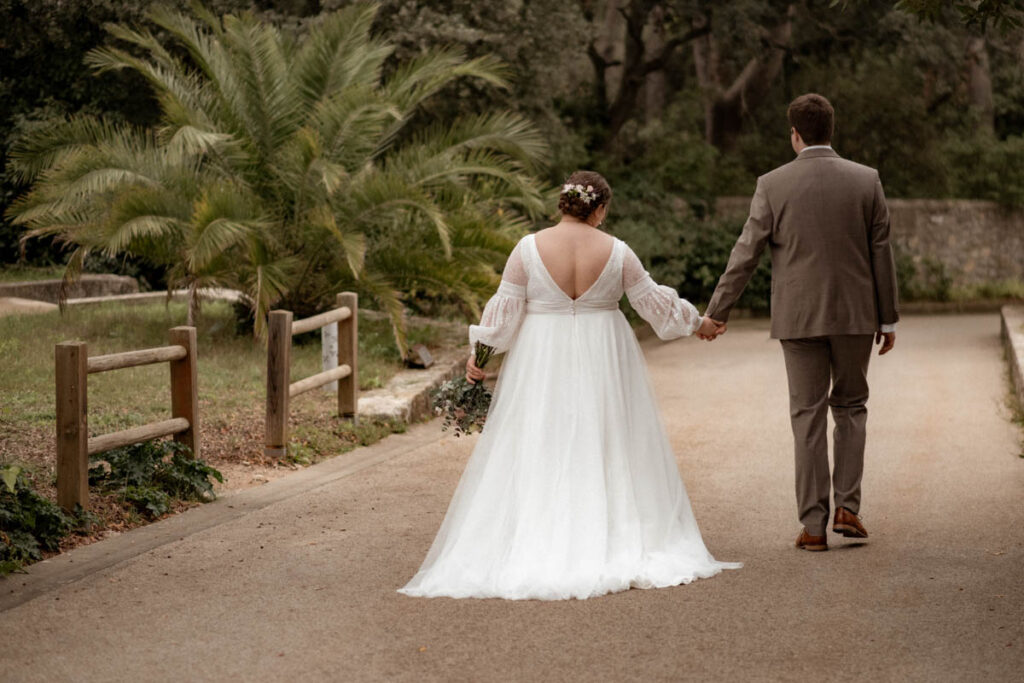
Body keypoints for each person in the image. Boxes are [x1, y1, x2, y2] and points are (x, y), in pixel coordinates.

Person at [398, 170, 740, 600]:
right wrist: (700, 323)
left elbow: (502, 316)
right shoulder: (618, 251)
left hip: (542, 354)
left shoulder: (527, 249)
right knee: (608, 438)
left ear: (563, 204)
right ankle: (610, 531)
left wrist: (478, 361)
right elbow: (654, 305)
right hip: (604, 352)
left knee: (543, 438)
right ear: (599, 209)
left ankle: (541, 532)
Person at [704, 93, 899, 552]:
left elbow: (745, 253)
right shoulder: (866, 180)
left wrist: (717, 311)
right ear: (831, 129)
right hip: (855, 316)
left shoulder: (772, 184)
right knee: (851, 407)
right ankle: (847, 508)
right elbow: (881, 253)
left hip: (797, 318)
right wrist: (887, 317)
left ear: (794, 134)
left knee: (807, 416)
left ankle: (813, 527)